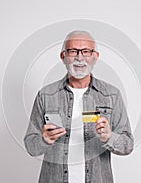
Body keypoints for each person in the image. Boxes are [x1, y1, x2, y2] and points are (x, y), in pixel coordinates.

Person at [24, 30, 134, 183]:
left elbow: (127, 145)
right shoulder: (46, 95)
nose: (79, 57)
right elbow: (31, 146)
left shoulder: (111, 95)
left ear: (95, 57)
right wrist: (44, 140)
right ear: (63, 56)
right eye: (73, 51)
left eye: (86, 51)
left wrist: (109, 137)